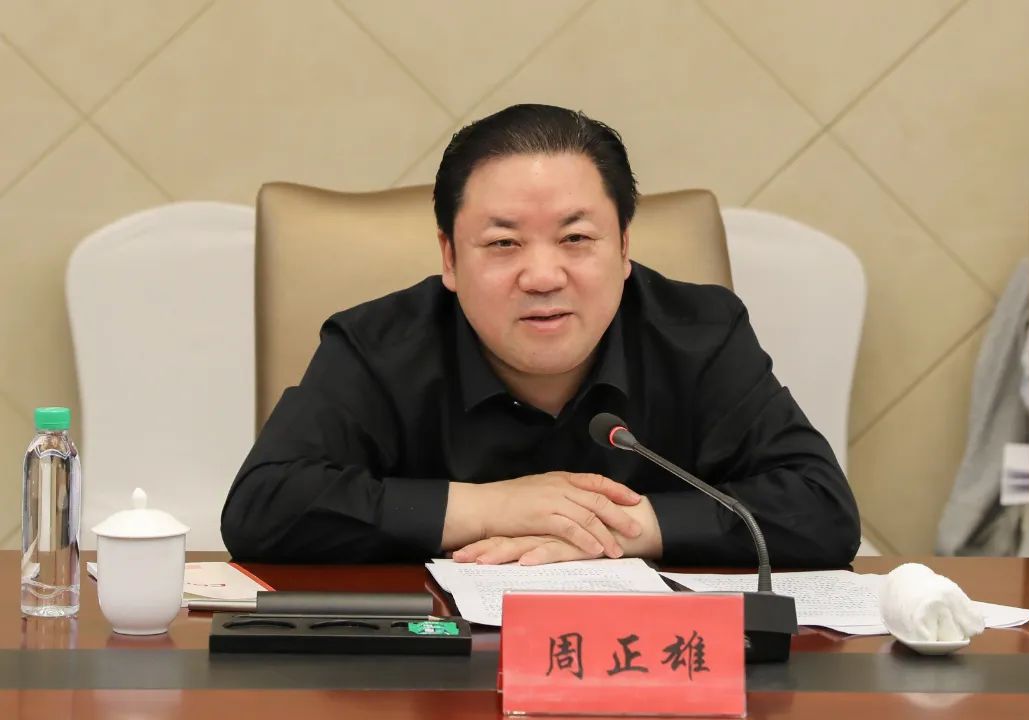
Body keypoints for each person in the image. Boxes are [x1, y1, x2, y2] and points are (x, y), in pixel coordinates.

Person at [220, 104, 860, 567]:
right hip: (433, 671)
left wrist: (624, 527)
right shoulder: (377, 346)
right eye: (503, 244)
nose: (543, 276)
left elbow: (822, 507)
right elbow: (263, 508)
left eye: (576, 238)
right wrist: (490, 508)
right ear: (449, 258)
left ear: (624, 248)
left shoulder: (701, 334)